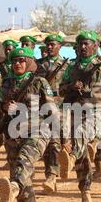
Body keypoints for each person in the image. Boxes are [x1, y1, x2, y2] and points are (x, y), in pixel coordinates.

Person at [0, 47, 59, 202]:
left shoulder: (39, 82)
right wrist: (3, 107)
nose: (17, 64)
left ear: (30, 62)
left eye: (22, 60)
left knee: (23, 163)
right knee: (23, 175)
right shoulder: (6, 83)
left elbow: (52, 110)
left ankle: (14, 187)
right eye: (14, 61)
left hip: (38, 131)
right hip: (13, 134)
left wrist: (60, 138)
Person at [58, 30, 101, 202]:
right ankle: (86, 197)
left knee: (82, 134)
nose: (83, 47)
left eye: (87, 43)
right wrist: (71, 86)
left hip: (96, 110)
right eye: (80, 44)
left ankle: (73, 155)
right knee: (82, 156)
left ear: (95, 45)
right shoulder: (72, 66)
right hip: (74, 111)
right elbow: (61, 90)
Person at [35, 34, 69, 193]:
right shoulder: (37, 65)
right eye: (47, 45)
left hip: (60, 106)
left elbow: (68, 86)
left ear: (59, 46)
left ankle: (52, 175)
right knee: (46, 142)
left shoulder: (66, 64)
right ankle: (51, 174)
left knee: (55, 141)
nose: (49, 47)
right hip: (42, 106)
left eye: (52, 44)